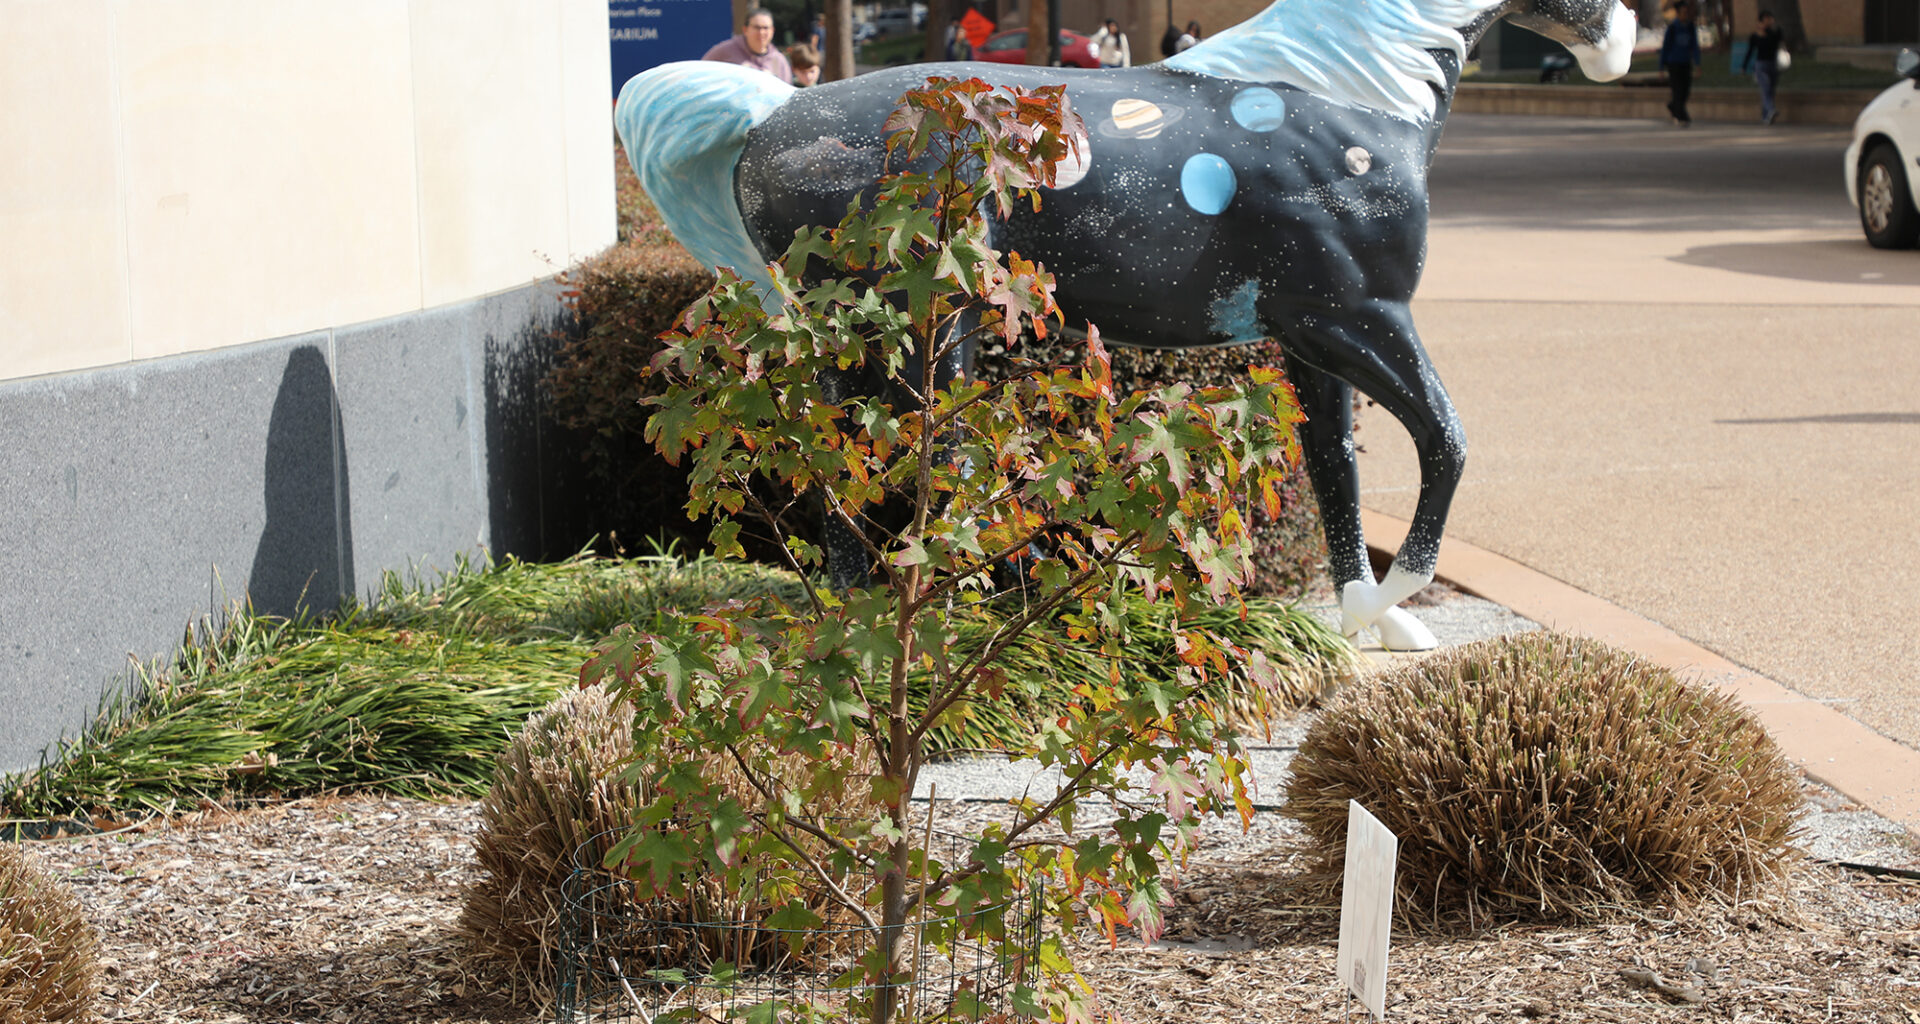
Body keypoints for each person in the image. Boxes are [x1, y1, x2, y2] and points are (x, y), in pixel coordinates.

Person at [703, 8, 793, 83]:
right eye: (757, 27)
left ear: (772, 31)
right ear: (745, 30)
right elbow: (702, 74)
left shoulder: (779, 61)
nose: (761, 32)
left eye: (765, 28)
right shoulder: (724, 51)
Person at [1660, 2, 1701, 127]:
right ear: (1678, 13)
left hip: (1685, 62)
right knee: (1677, 91)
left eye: (1686, 12)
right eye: (1683, 12)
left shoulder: (1690, 27)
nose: (1685, 14)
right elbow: (1665, 47)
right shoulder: (1672, 28)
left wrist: (1697, 63)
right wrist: (1661, 66)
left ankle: (1673, 107)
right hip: (1674, 63)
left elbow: (1694, 46)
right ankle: (1682, 117)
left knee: (1685, 91)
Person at [1743, 9, 1785, 124]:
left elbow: (1779, 42)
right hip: (1760, 65)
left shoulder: (1774, 34)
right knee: (1765, 87)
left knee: (1770, 91)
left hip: (1773, 64)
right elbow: (1750, 51)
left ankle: (1766, 116)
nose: (1768, 22)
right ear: (1760, 22)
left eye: (1769, 19)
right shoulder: (1755, 36)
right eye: (1765, 20)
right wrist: (1744, 66)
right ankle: (1771, 110)